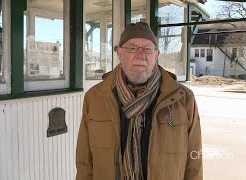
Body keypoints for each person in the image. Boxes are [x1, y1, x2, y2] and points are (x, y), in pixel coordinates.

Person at [76, 22, 203, 180]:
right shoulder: (95, 98)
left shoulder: (183, 99)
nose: (140, 55)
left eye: (147, 49)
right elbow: (84, 162)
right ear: (119, 53)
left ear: (156, 55)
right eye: (132, 48)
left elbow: (194, 161)